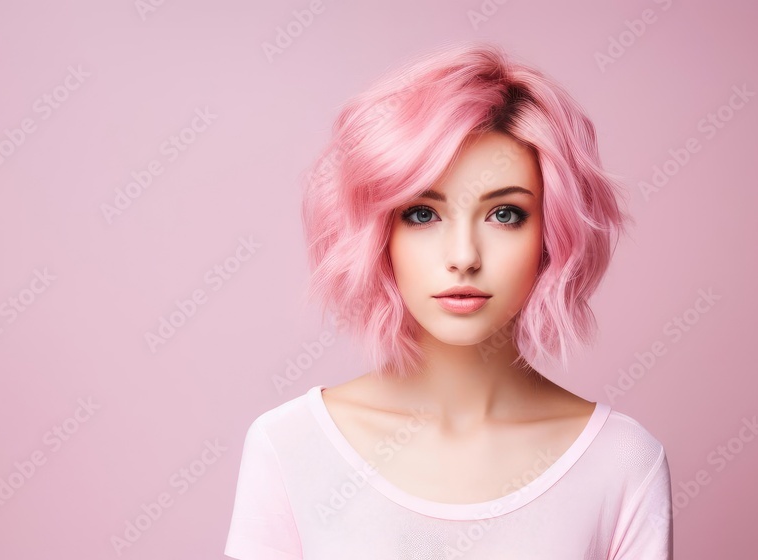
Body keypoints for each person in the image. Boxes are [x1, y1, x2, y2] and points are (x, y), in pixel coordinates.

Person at [224, 40, 673, 559]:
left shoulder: (621, 463)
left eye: (505, 214)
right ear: (379, 234)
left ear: (552, 234)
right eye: (422, 214)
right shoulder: (291, 447)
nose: (463, 256)